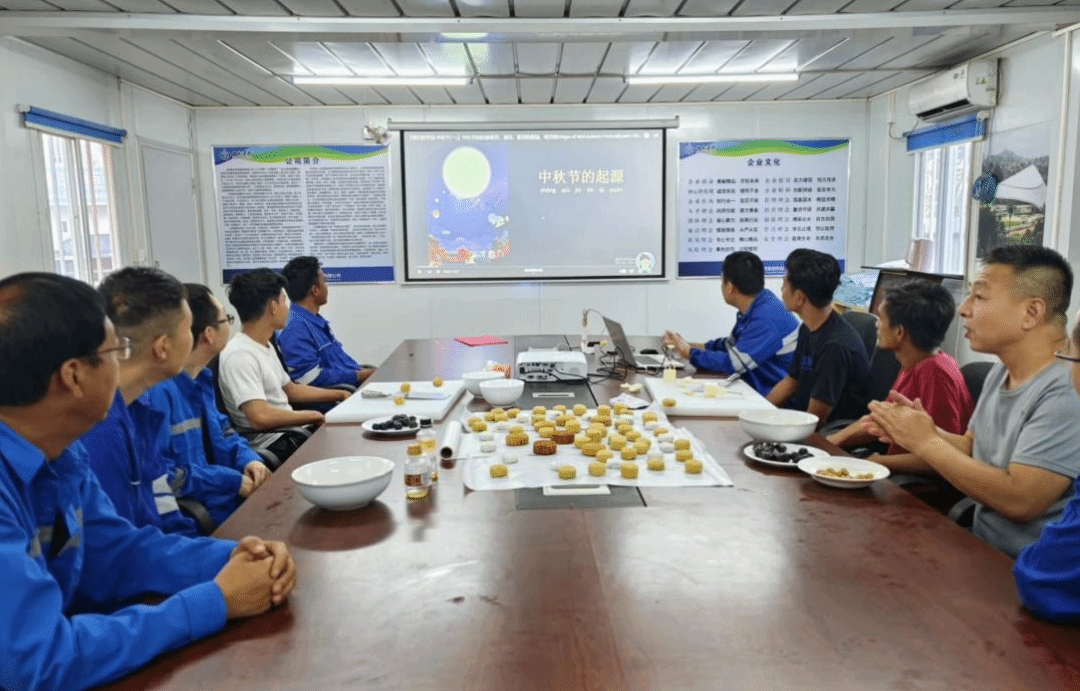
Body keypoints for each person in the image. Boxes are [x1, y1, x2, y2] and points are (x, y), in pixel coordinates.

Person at [0, 272, 296, 691]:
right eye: (115, 350)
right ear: (73, 376)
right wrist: (213, 602)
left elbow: (117, 553)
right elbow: (36, 662)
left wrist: (234, 558)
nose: (123, 362)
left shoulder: (62, 452)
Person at [869, 245, 1080, 558]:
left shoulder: (1067, 391)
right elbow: (972, 448)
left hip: (1022, 569)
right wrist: (920, 430)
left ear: (1031, 312)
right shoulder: (1003, 371)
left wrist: (927, 443)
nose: (963, 309)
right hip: (978, 545)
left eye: (980, 297)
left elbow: (1020, 500)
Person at [81, 267, 237, 536]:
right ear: (163, 346)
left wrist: (212, 556)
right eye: (188, 329)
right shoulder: (94, 431)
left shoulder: (137, 412)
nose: (194, 338)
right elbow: (118, 551)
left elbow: (163, 513)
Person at [143, 283, 273, 526]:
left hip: (228, 502)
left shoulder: (200, 379)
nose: (231, 327)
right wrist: (228, 481)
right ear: (209, 334)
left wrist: (249, 459)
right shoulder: (159, 393)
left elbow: (223, 431)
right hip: (199, 518)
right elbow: (165, 477)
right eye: (227, 319)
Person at [827, 279, 973, 455]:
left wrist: (876, 463)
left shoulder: (935, 373)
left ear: (899, 332)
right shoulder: (912, 360)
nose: (876, 324)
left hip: (916, 480)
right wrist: (828, 443)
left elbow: (944, 455)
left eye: (881, 318)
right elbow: (879, 422)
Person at [219, 268, 348, 454]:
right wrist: (312, 415)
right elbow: (259, 417)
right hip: (276, 444)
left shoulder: (263, 345)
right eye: (284, 301)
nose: (288, 308)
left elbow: (292, 390)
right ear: (273, 306)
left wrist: (340, 394)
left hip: (294, 433)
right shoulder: (239, 355)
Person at [1014, 313, 1080, 621]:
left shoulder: (1062, 399)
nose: (966, 309)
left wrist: (927, 444)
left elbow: (1043, 580)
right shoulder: (998, 377)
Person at [663, 251, 799, 395]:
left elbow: (733, 363)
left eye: (722, 280)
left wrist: (688, 352)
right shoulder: (760, 304)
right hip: (755, 388)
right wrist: (690, 345)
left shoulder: (767, 318)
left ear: (729, 287)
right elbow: (731, 346)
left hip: (774, 401)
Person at [765, 249, 873, 425]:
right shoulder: (809, 328)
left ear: (799, 297)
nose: (782, 290)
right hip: (805, 421)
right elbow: (792, 382)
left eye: (785, 285)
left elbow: (816, 419)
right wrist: (760, 413)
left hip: (828, 436)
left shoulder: (835, 346)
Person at [278, 256, 375, 388]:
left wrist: (364, 373)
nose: (326, 286)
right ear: (315, 290)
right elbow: (308, 379)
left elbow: (338, 362)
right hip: (336, 399)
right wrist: (360, 376)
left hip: (353, 387)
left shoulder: (313, 320)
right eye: (324, 281)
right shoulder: (294, 327)